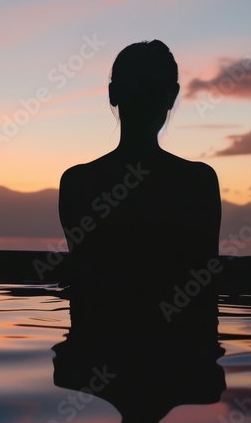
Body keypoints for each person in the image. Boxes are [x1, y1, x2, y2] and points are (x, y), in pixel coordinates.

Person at [52, 40, 226, 422]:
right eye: (146, 87)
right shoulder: (197, 182)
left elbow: (89, 280)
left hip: (100, 344)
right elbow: (204, 280)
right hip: (178, 348)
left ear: (113, 94)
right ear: (172, 97)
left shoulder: (79, 183)